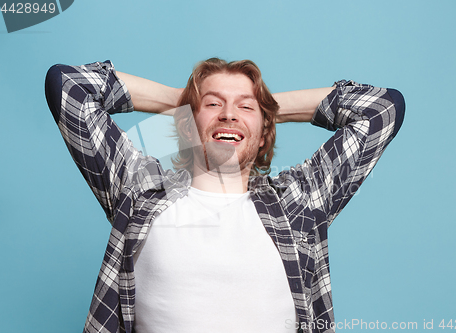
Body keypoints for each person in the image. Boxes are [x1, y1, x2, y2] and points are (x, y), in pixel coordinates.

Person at [45, 58, 405, 333]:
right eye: (214, 104)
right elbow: (70, 87)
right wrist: (184, 102)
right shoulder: (139, 187)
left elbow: (381, 110)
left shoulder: (299, 200)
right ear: (187, 125)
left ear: (264, 133)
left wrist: (267, 107)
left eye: (244, 107)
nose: (229, 114)